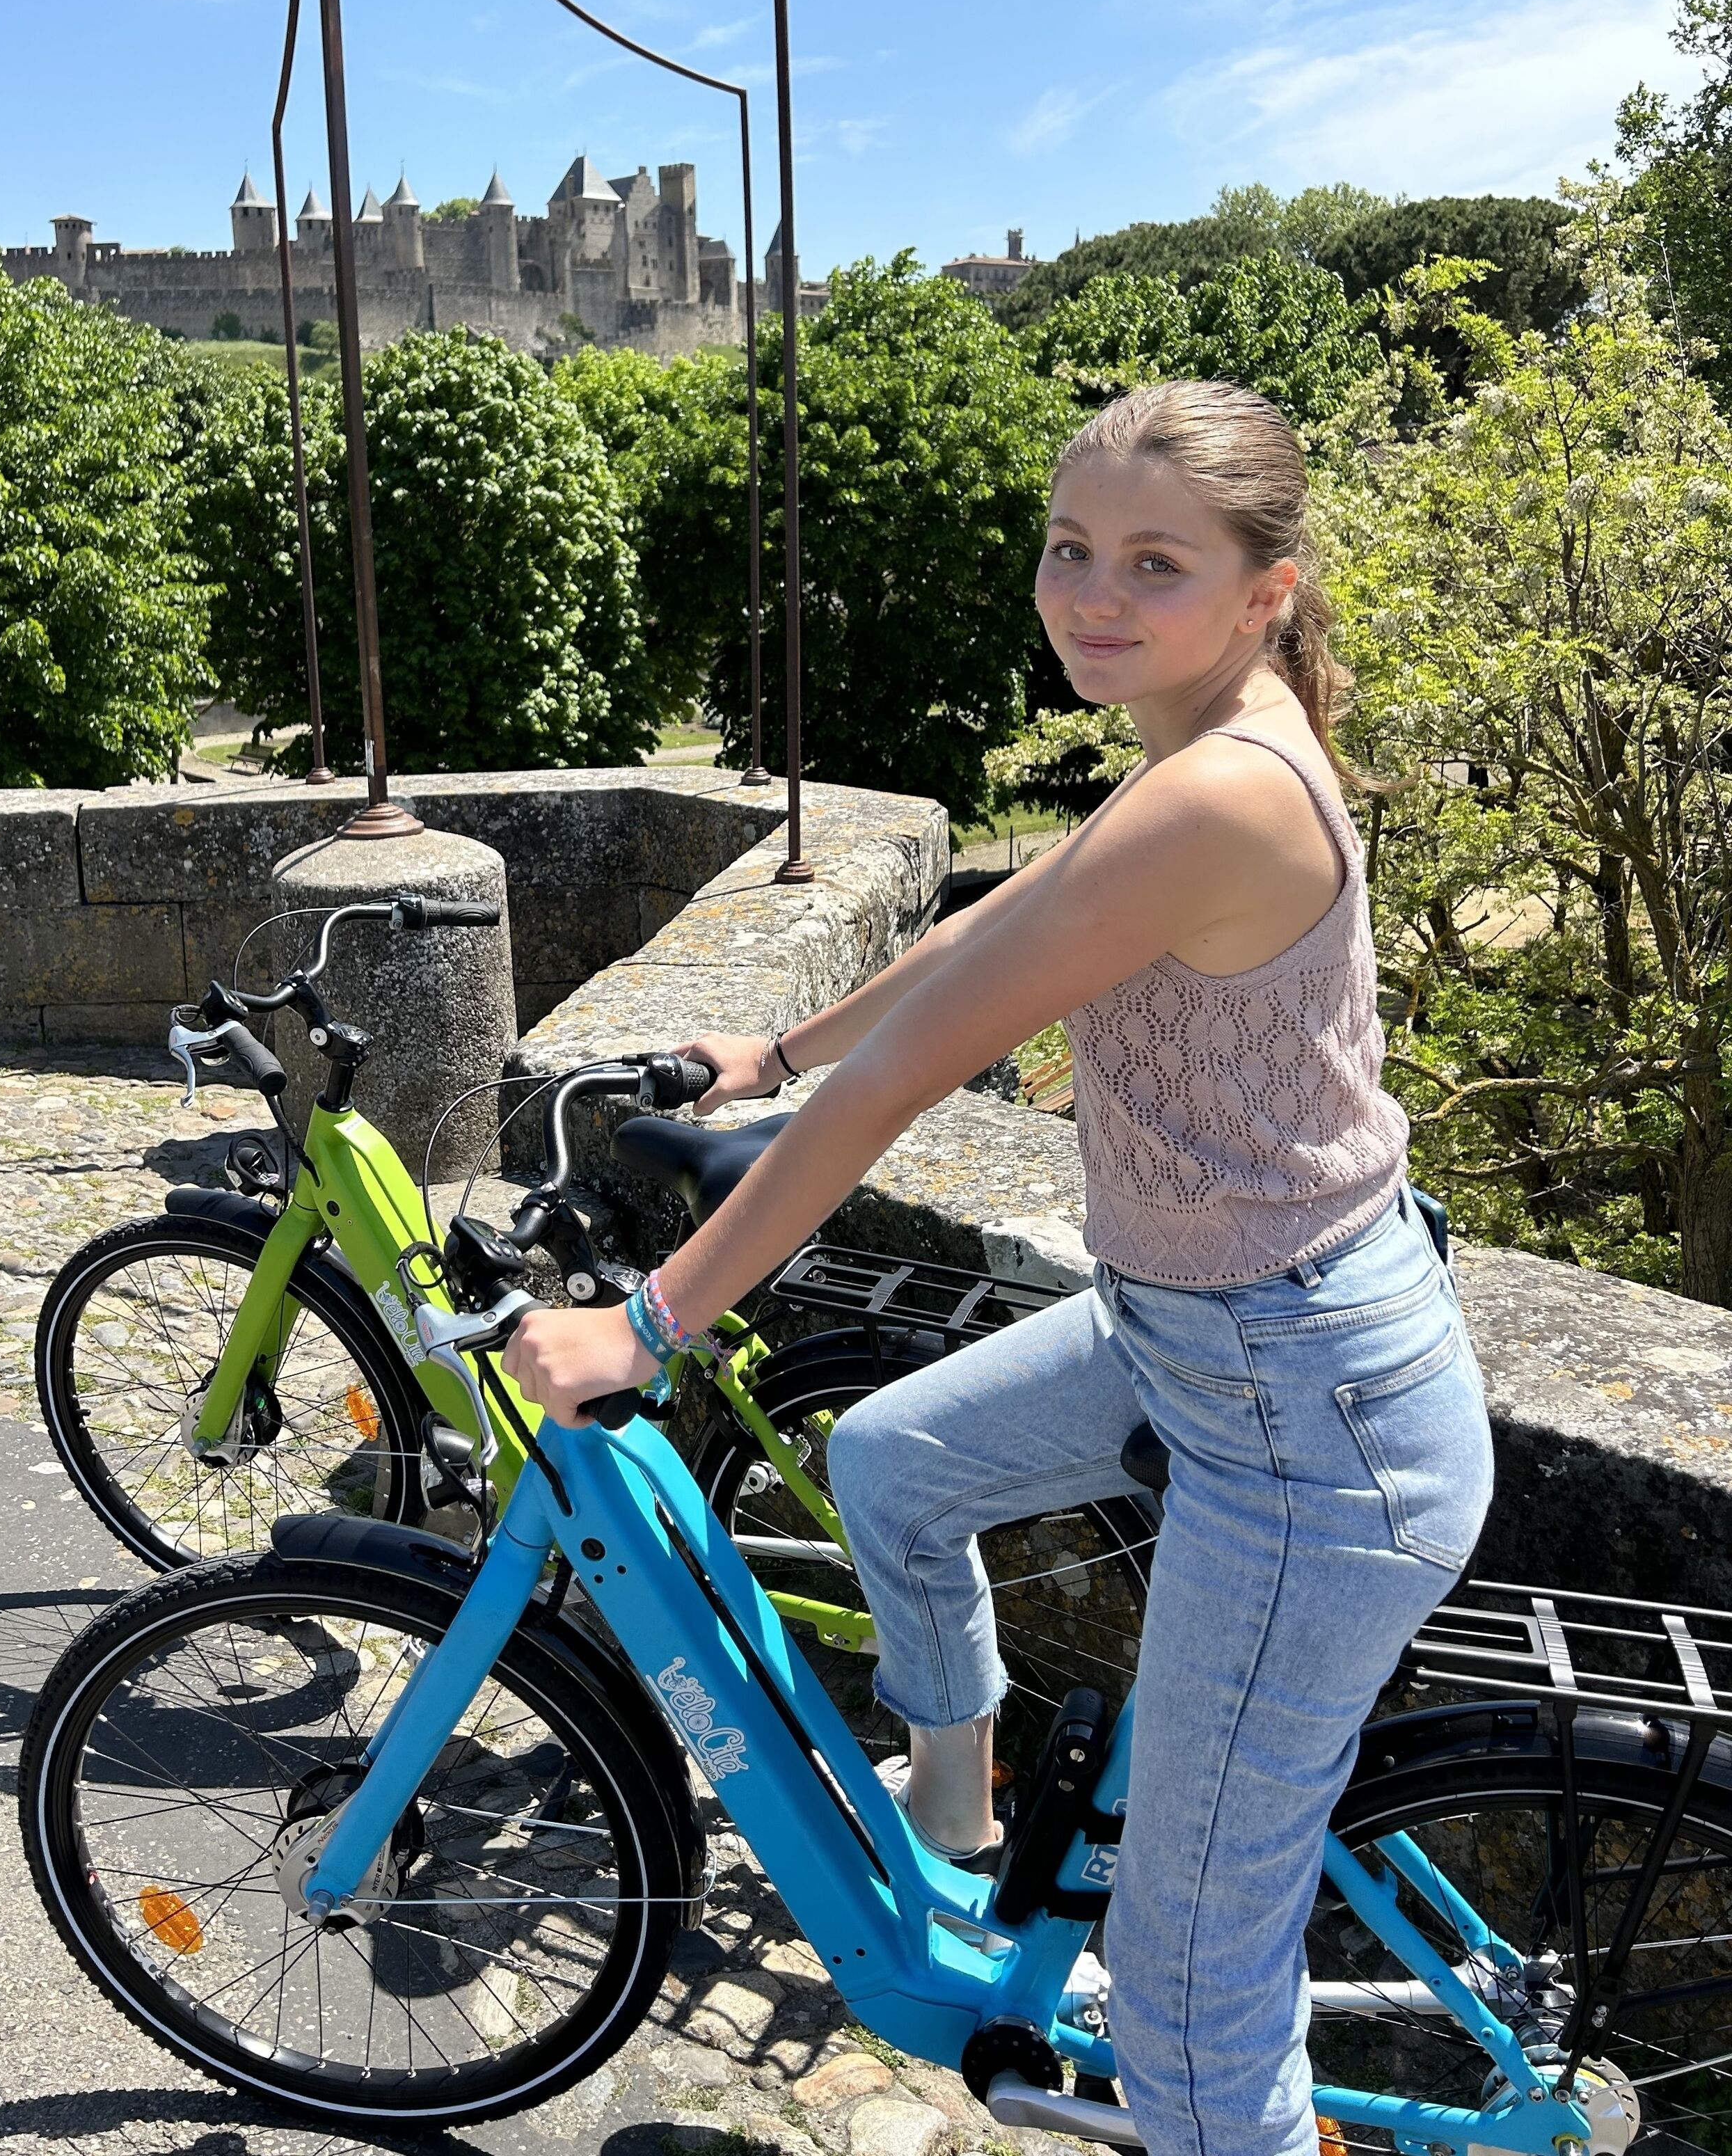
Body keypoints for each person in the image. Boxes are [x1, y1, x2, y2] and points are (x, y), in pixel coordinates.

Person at [507, 376, 1494, 2155]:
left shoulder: (1221, 791)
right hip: (1216, 1332)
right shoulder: (1199, 739)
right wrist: (775, 1049)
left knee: (1188, 2028)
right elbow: (997, 930)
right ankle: (954, 1828)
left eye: (1154, 562)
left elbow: (906, 1079)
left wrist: (648, 1324)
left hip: (1306, 1412)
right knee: (893, 1463)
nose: (1091, 595)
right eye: (1068, 547)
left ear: (1266, 588)